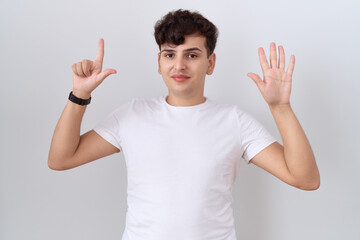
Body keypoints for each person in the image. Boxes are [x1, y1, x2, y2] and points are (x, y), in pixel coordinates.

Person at [48, 9, 320, 240]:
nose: (179, 65)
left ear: (210, 63)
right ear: (159, 62)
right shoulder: (131, 115)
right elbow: (61, 159)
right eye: (169, 54)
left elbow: (305, 179)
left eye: (191, 55)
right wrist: (80, 95)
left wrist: (280, 108)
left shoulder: (234, 121)